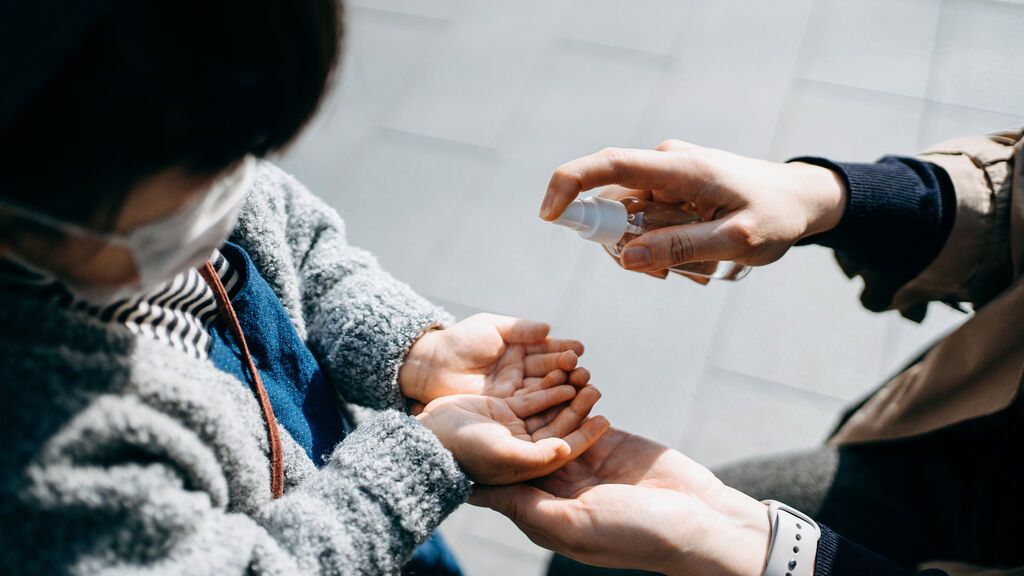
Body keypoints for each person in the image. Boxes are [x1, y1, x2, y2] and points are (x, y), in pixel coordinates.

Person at [0, 1, 610, 574]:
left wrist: (413, 352)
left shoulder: (187, 137)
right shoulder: (39, 466)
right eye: (195, 189)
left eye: (246, 157)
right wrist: (421, 463)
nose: (229, 197)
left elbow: (305, 248)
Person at [476, 129, 1024, 576]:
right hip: (952, 439)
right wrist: (828, 194)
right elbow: (1009, 196)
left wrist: (761, 554)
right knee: (584, 568)